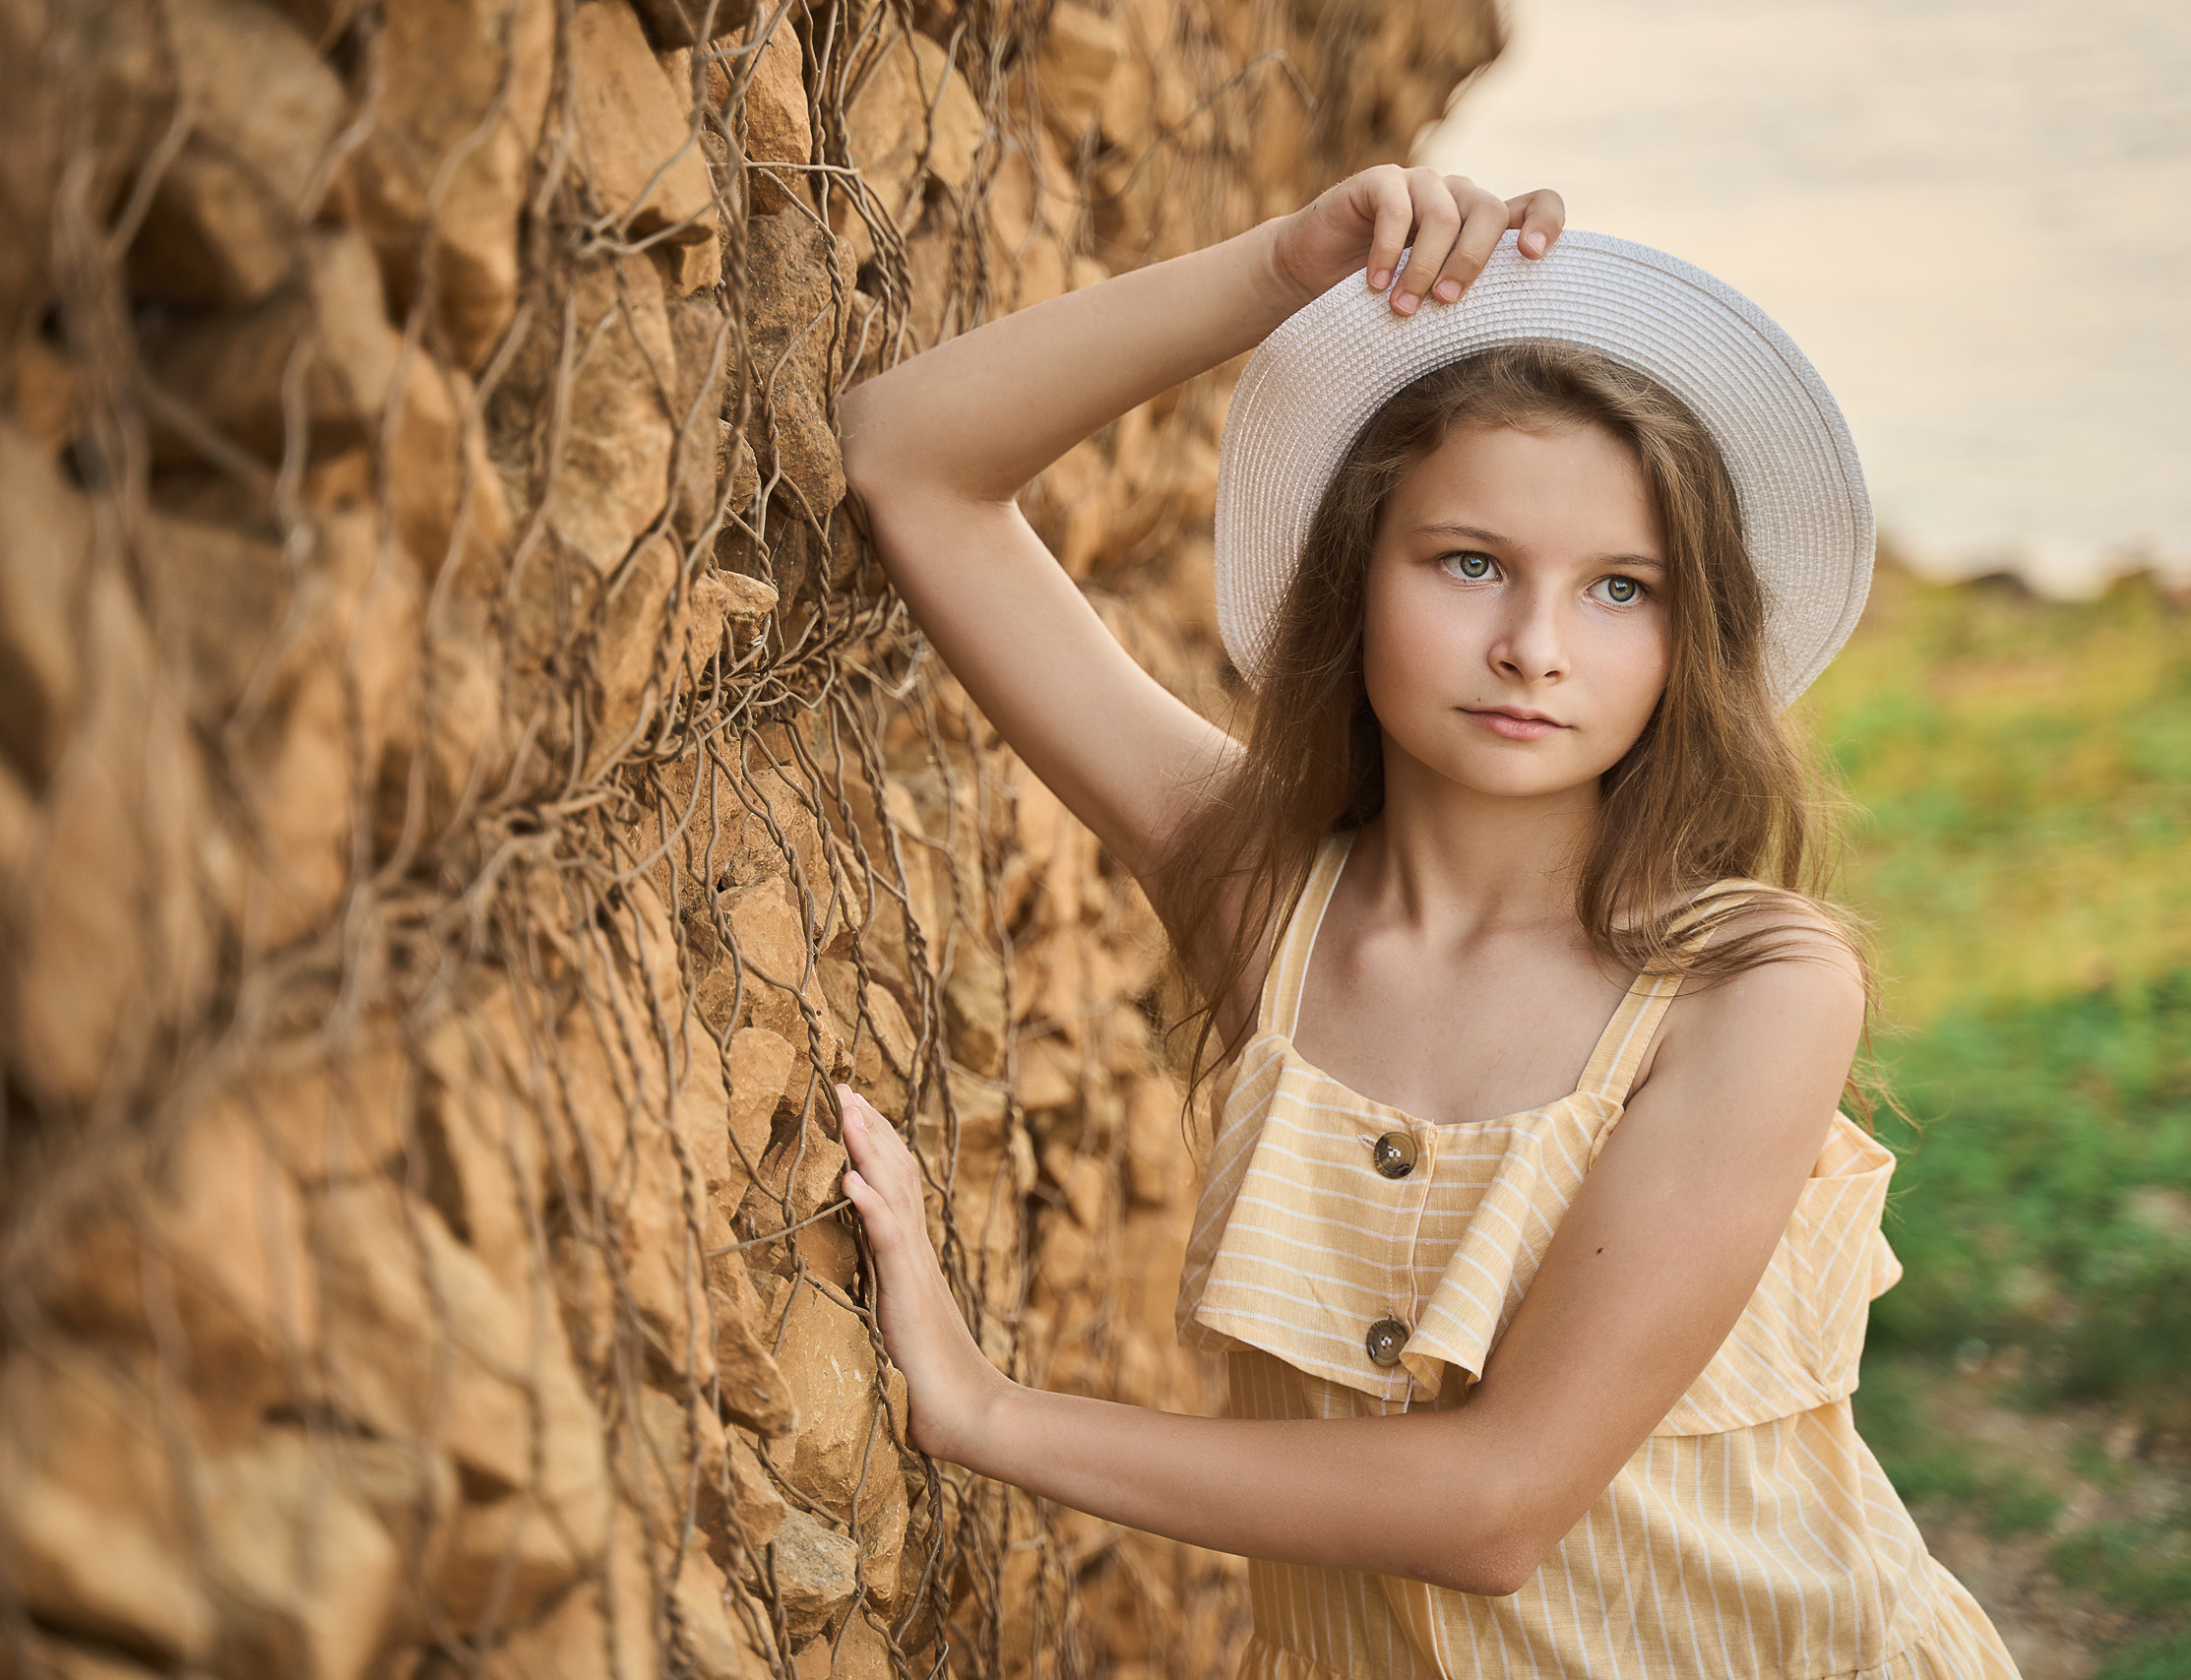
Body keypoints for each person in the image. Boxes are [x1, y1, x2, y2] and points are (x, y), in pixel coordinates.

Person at [828, 165, 2021, 1679]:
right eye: (1471, 564)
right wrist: (1279, 270)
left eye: (1620, 591)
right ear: (1356, 580)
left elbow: (1495, 1505)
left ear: (1686, 638)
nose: (1532, 648)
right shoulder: (1262, 898)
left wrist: (993, 1416)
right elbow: (910, 460)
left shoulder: (1753, 986)